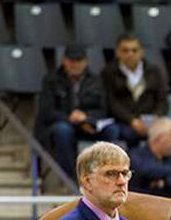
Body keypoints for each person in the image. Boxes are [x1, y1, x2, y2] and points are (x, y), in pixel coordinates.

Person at [34, 44, 115, 182]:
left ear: (86, 62)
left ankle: (104, 176)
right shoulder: (51, 80)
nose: (75, 64)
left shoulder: (96, 81)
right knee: (63, 131)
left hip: (86, 125)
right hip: (59, 125)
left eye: (79, 61)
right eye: (71, 60)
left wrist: (87, 119)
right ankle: (70, 179)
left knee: (112, 130)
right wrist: (69, 118)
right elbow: (46, 111)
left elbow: (103, 110)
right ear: (64, 61)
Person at [102, 34, 169, 148]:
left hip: (151, 121)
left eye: (134, 50)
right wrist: (132, 121)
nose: (130, 54)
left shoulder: (154, 71)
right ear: (117, 52)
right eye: (125, 50)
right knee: (125, 133)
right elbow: (111, 102)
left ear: (141, 52)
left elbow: (162, 101)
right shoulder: (108, 72)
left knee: (168, 132)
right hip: (123, 122)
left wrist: (154, 119)